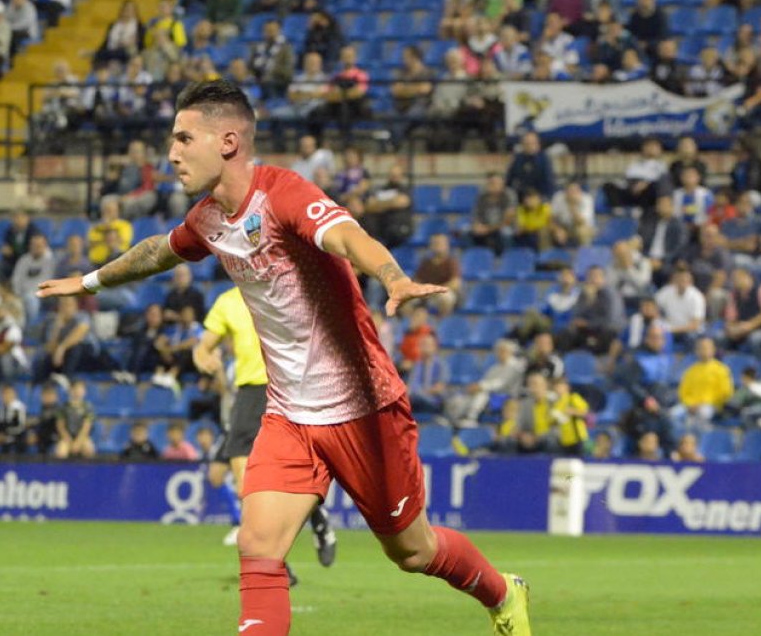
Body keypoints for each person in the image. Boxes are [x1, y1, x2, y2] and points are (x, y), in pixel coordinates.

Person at [36, 80, 531, 635]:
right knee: (258, 544)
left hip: (363, 410)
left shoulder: (284, 195)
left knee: (413, 552)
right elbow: (158, 251)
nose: (171, 153)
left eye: (182, 138)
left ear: (227, 141)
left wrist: (392, 275)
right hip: (289, 415)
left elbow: (346, 236)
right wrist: (89, 281)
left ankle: (502, 593)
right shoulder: (208, 219)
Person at [193, 284, 337, 575]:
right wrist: (202, 358)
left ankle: (296, 538)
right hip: (249, 393)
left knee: (265, 478)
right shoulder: (227, 301)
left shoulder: (284, 288)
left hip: (285, 387)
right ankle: (296, 540)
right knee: (243, 482)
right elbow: (203, 346)